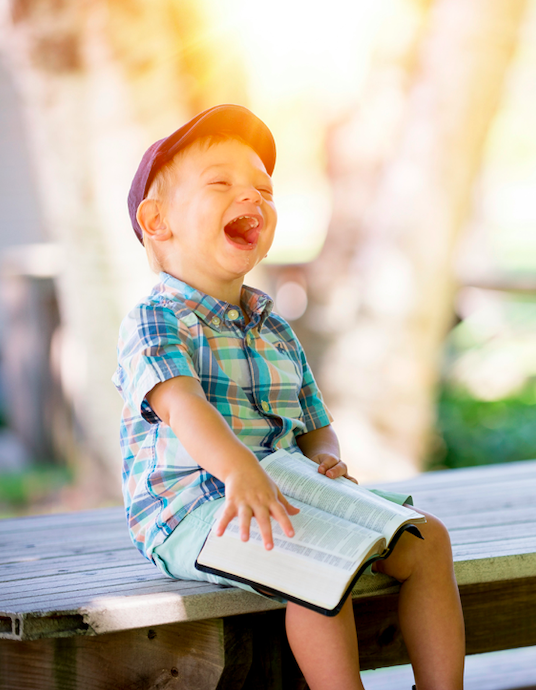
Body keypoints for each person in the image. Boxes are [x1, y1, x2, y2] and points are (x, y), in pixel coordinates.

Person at [112, 104, 465, 690]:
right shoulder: (155, 320)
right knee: (317, 566)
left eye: (263, 189)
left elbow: (313, 421)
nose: (251, 197)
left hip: (285, 486)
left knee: (428, 540)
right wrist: (239, 469)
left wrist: (325, 454)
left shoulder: (272, 325)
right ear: (157, 221)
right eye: (221, 182)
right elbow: (183, 407)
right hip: (194, 509)